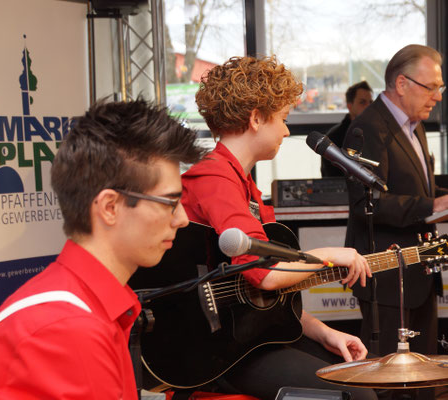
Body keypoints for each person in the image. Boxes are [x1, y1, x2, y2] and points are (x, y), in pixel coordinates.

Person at [181, 55, 377, 400]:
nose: (287, 131)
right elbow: (265, 275)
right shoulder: (215, 177)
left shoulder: (242, 184)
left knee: (363, 378)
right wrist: (330, 254)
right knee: (358, 395)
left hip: (249, 339)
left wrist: (322, 332)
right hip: (217, 352)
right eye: (284, 119)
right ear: (256, 118)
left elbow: (267, 300)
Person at [0, 99, 204, 399]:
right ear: (110, 207)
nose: (182, 219)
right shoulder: (69, 328)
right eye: (170, 202)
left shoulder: (85, 309)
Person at [343, 44, 448, 399]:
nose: (437, 96)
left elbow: (420, 188)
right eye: (431, 87)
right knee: (391, 385)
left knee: (425, 378)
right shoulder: (366, 128)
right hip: (386, 277)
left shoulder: (414, 124)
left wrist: (436, 198)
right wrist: (430, 203)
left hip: (420, 269)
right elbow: (366, 203)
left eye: (441, 88)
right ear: (401, 84)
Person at [321, 80, 373, 177]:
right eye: (362, 102)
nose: (369, 106)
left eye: (371, 102)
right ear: (350, 106)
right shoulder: (334, 138)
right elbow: (332, 179)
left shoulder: (377, 134)